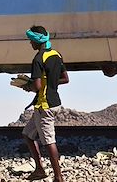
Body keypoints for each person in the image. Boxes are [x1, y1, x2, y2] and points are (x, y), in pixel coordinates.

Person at [13, 25, 69, 182]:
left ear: (37, 41)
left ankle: (58, 177)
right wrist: (48, 81)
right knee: (27, 134)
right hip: (53, 103)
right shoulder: (56, 55)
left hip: (45, 106)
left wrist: (26, 86)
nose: (30, 44)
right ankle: (39, 169)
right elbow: (65, 78)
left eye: (31, 41)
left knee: (49, 141)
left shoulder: (38, 59)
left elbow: (37, 87)